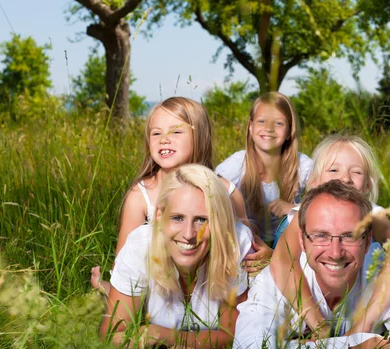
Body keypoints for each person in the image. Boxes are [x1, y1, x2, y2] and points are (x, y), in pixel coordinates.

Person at [233, 180, 390, 349]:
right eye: (321, 235)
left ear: (367, 241)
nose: (335, 252)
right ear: (302, 241)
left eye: (349, 236)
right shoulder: (280, 279)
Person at [91, 97, 270, 292]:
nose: (164, 139)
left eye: (176, 131)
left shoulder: (223, 190)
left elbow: (246, 243)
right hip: (160, 287)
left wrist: (268, 256)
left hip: (213, 285)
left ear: (199, 137)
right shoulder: (141, 195)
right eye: (156, 133)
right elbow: (124, 258)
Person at [270, 135, 390, 338]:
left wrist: (363, 324)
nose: (345, 178)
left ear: (367, 185)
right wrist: (319, 325)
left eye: (356, 172)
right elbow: (282, 260)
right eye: (333, 170)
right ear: (314, 181)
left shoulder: (373, 214)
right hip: (293, 262)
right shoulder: (308, 210)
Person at [100, 164, 253, 349]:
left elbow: (232, 337)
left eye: (202, 220)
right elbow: (111, 337)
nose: (189, 234)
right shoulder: (140, 246)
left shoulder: (234, 243)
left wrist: (161, 334)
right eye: (177, 217)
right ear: (159, 215)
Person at [216, 92, 313, 245]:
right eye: (261, 121)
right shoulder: (236, 165)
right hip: (249, 242)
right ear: (250, 126)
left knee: (294, 221)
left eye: (278, 123)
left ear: (289, 132)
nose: (268, 128)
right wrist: (241, 219)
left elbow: (325, 199)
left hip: (288, 244)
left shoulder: (303, 165)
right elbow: (209, 193)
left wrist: (293, 208)